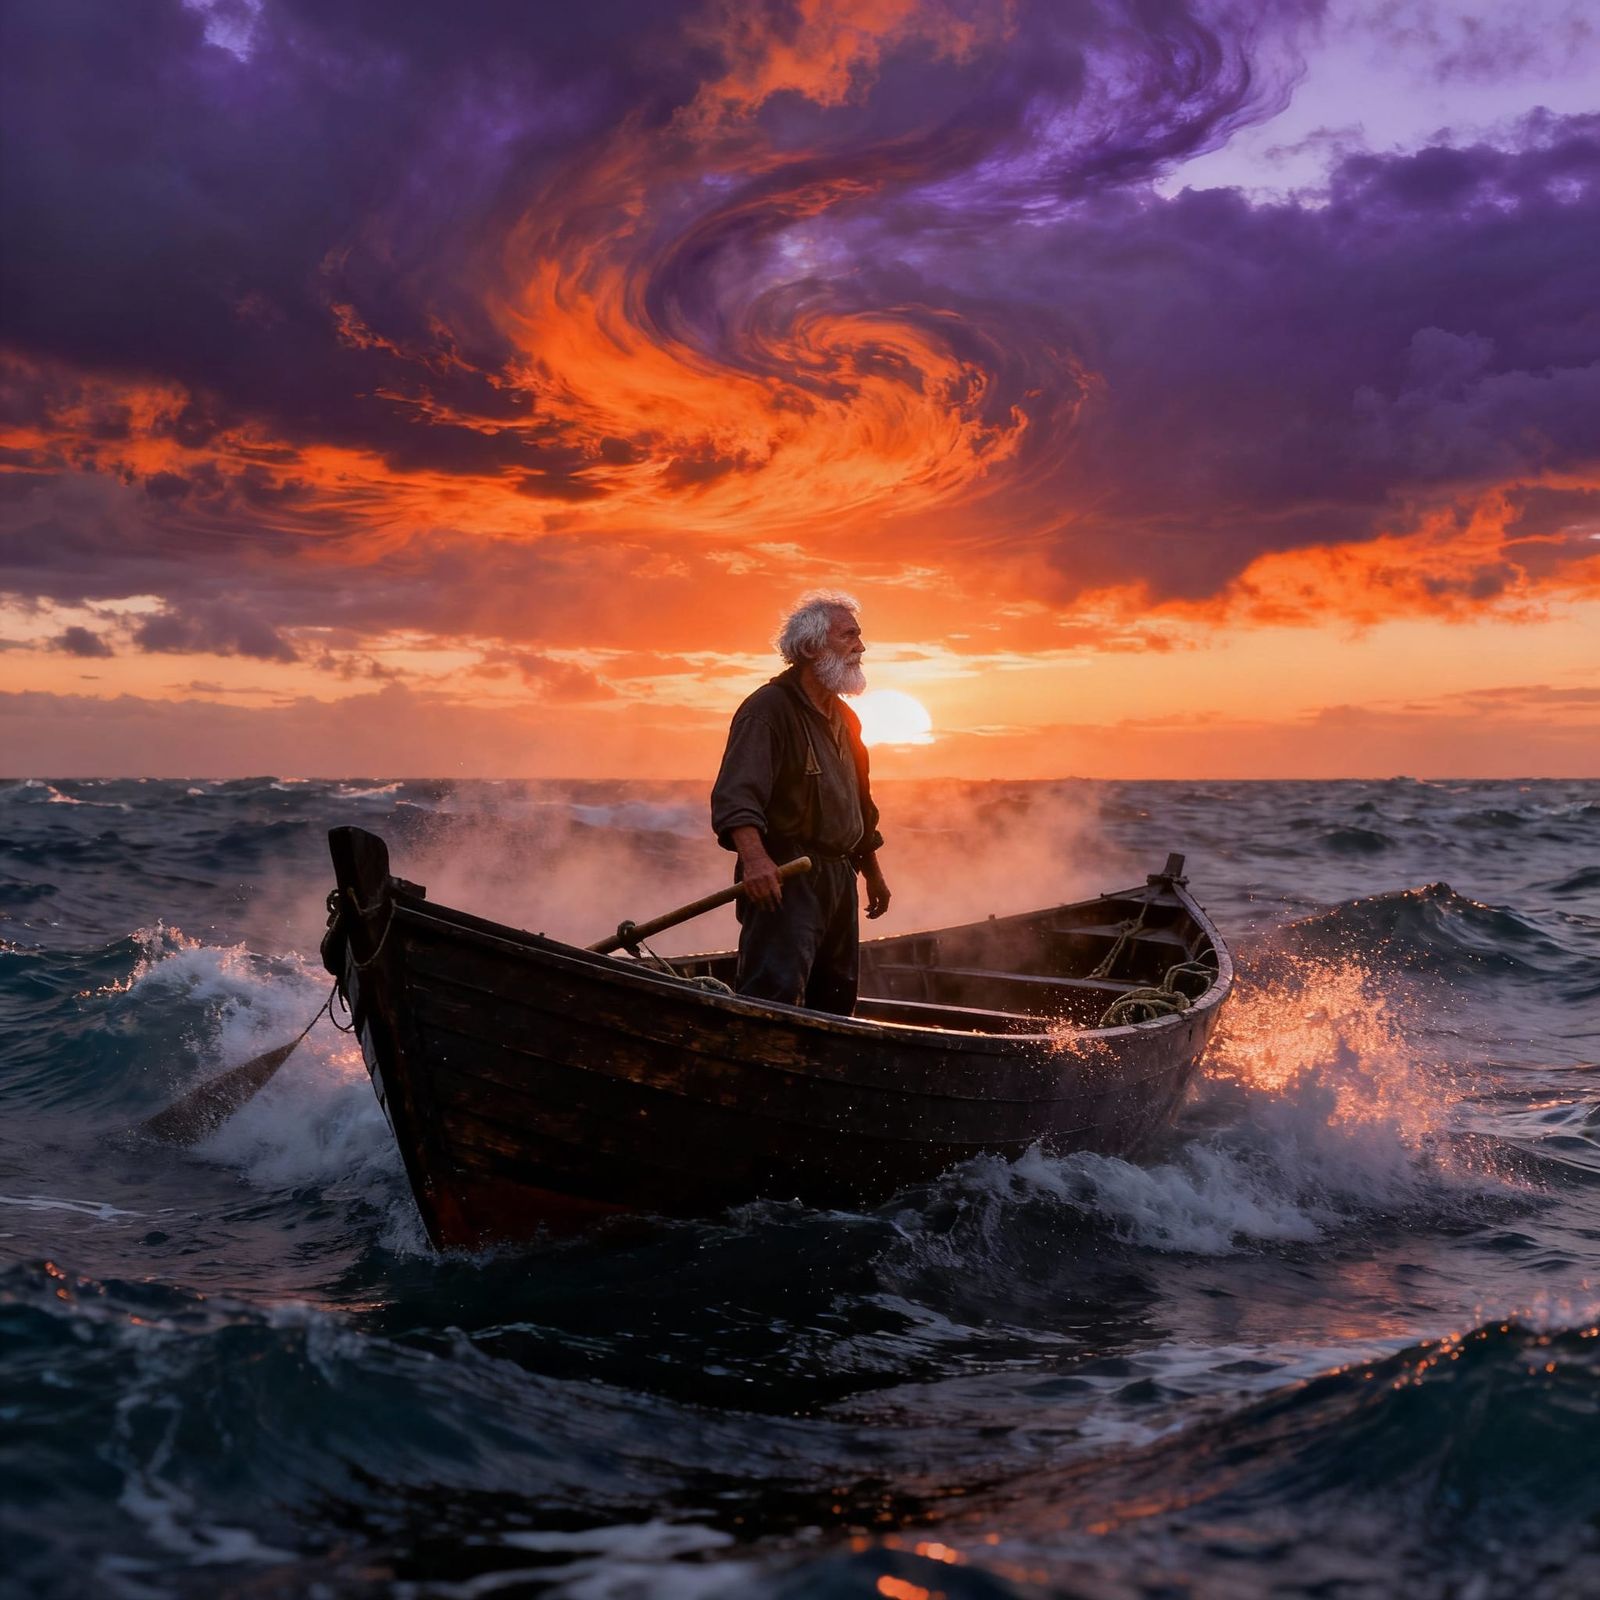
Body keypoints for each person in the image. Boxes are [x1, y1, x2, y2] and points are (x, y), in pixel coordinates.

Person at [710, 591, 891, 1014]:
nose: (861, 648)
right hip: (787, 876)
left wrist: (872, 872)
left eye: (859, 637)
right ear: (811, 648)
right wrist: (755, 861)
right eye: (849, 636)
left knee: (835, 997)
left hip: (839, 875)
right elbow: (737, 795)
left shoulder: (845, 718)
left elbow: (860, 802)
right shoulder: (767, 711)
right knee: (775, 992)